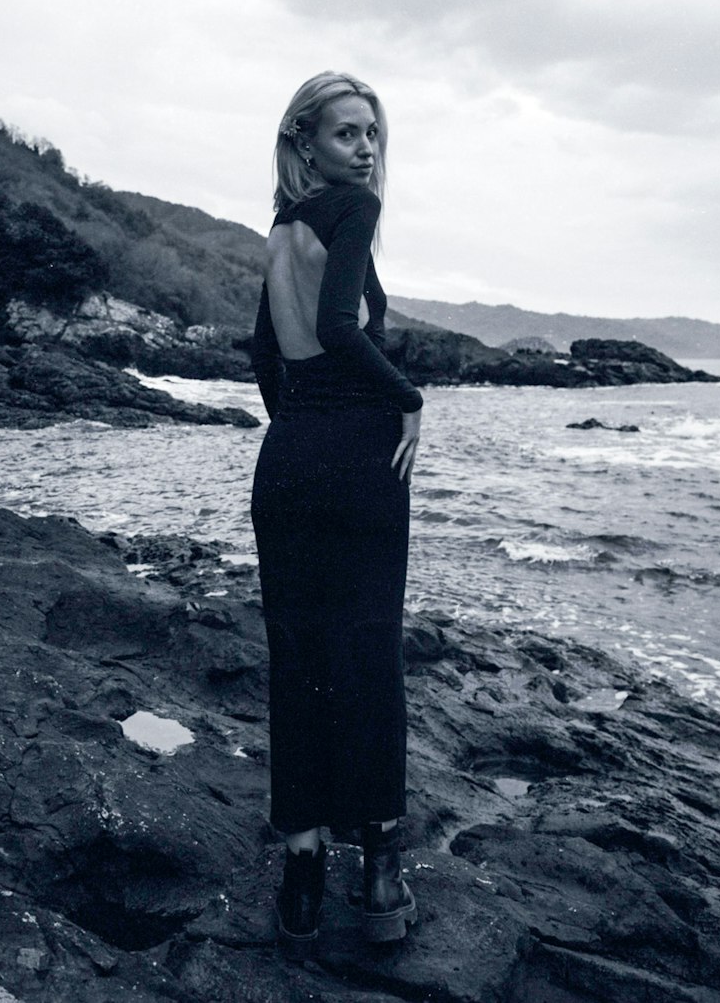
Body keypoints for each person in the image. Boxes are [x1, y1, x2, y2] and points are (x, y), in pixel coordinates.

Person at [250, 72, 423, 952]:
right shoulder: (350, 210)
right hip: (358, 455)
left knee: (298, 659)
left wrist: (301, 431)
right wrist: (408, 399)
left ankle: (303, 879)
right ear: (306, 140)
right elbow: (341, 325)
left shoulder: (279, 229)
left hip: (286, 463)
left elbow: (263, 354)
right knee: (368, 653)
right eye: (349, 133)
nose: (365, 150)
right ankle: (382, 876)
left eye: (373, 135)